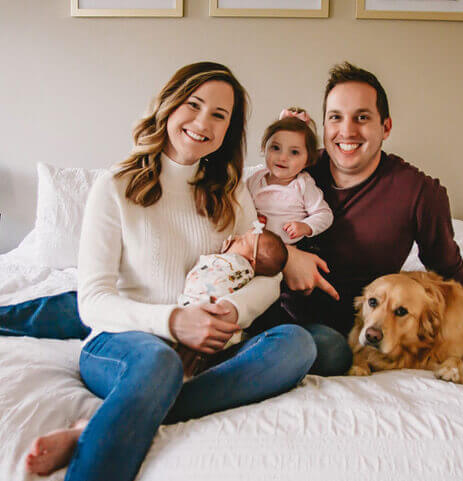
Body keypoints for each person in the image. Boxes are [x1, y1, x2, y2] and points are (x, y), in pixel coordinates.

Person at [24, 62, 317, 480]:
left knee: (297, 345)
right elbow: (91, 301)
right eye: (193, 105)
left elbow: (267, 277)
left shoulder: (230, 191)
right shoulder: (115, 187)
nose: (203, 122)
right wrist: (174, 321)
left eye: (219, 115)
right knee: (159, 361)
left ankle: (95, 427)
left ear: (229, 131)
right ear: (169, 105)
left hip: (206, 349)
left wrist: (234, 312)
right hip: (125, 345)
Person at [248, 61, 463, 376]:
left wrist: (451, 348)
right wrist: (287, 254)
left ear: (386, 127)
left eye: (362, 118)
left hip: (342, 331)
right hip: (266, 303)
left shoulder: (418, 192)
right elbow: (237, 224)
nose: (347, 131)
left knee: (329, 351)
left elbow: (449, 280)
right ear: (323, 126)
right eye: (335, 117)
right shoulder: (296, 168)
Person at [178, 221, 287, 354]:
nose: (235, 238)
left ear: (251, 262)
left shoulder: (237, 264)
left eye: (241, 242)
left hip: (203, 319)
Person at [246, 107, 334, 245]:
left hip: (290, 247)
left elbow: (324, 215)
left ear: (308, 160)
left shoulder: (303, 184)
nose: (283, 157)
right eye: (275, 148)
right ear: (264, 148)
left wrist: (306, 226)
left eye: (294, 152)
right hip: (254, 243)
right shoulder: (255, 179)